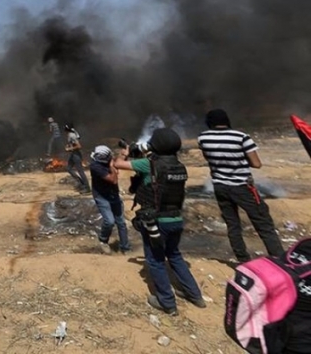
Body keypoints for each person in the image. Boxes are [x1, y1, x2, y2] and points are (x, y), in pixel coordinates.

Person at [114, 127, 206, 315]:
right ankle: (195, 295)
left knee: (155, 260)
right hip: (176, 219)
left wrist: (126, 153)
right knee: (174, 255)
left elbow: (118, 164)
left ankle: (167, 302)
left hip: (156, 221)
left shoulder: (149, 165)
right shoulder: (179, 166)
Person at [198, 109, 284, 263]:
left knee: (233, 225)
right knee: (263, 224)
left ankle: (243, 260)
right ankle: (280, 261)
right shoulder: (241, 137)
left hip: (219, 186)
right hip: (242, 187)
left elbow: (208, 157)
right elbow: (256, 164)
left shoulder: (203, 138)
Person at [88, 145, 130, 255]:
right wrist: (112, 167)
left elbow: (120, 162)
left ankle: (125, 248)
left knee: (121, 222)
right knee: (109, 221)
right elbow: (113, 180)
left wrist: (124, 154)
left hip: (113, 195)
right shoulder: (95, 166)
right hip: (102, 197)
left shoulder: (108, 161)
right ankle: (103, 240)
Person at [64, 124, 89, 193]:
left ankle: (87, 188)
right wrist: (69, 146)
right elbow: (72, 143)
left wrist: (69, 149)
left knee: (80, 171)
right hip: (73, 154)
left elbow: (79, 146)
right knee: (68, 168)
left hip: (76, 155)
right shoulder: (70, 134)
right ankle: (81, 183)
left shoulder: (72, 135)